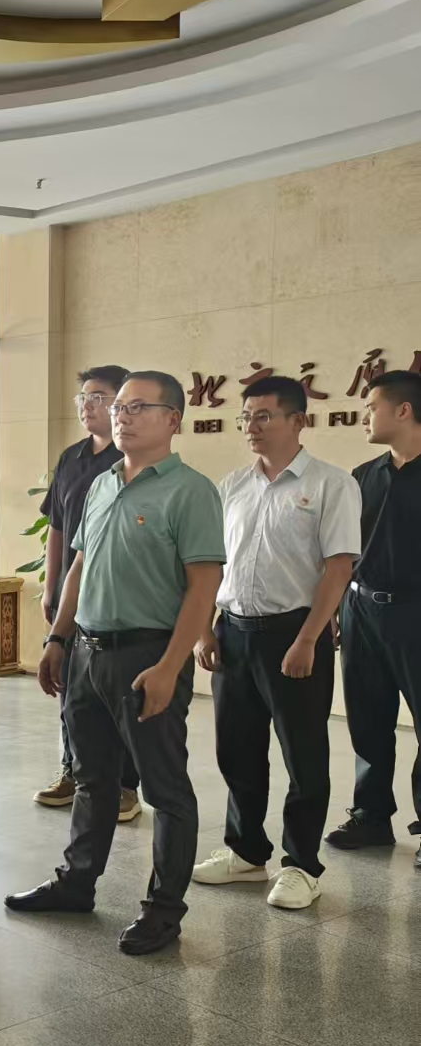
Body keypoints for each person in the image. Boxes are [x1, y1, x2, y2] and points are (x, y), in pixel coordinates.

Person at [9, 371, 225, 956]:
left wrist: (171, 666)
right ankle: (77, 883)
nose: (121, 416)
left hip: (149, 654)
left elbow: (203, 586)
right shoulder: (102, 483)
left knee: (164, 787)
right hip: (87, 651)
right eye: (118, 407)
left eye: (137, 407)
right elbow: (79, 564)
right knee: (92, 777)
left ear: (173, 419)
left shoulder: (190, 491)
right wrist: (57, 638)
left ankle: (163, 910)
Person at [191, 376, 358, 909]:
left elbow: (338, 569)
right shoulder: (233, 485)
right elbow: (213, 563)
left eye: (263, 416)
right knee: (236, 750)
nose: (251, 427)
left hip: (294, 634)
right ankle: (245, 852)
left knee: (303, 753)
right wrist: (204, 628)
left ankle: (302, 865)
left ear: (298, 421)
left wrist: (309, 638)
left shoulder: (332, 484)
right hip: (233, 632)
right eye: (246, 417)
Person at [36, 367, 142, 821]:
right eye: (83, 397)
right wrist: (51, 584)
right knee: (71, 690)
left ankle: (125, 786)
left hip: (116, 597)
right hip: (72, 592)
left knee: (119, 695)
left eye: (99, 397)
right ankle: (73, 770)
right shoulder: (72, 458)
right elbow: (57, 527)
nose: (87, 406)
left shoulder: (130, 458)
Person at [332, 368, 421, 863]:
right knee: (367, 718)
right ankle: (371, 816)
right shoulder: (363, 476)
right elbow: (345, 550)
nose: (365, 416)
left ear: (403, 410)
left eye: (371, 407)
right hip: (361, 609)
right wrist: (336, 607)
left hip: (417, 611)